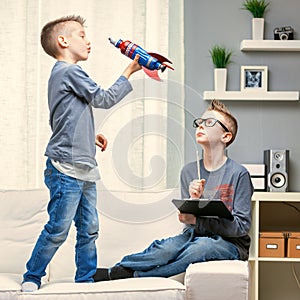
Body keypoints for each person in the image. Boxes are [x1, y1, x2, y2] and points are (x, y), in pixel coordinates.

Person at [21, 15, 141, 292]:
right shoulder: (69, 71)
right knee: (59, 228)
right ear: (63, 41)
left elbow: (63, 117)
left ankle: (85, 282)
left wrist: (89, 135)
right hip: (66, 168)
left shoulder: (60, 75)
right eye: (82, 35)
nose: (88, 41)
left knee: (89, 229)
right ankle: (32, 276)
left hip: (83, 166)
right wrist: (129, 71)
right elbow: (104, 99)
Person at [93, 99, 253, 281]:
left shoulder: (239, 174)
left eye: (209, 123)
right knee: (165, 249)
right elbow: (188, 220)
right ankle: (117, 269)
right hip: (195, 234)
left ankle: (127, 275)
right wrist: (193, 200)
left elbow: (241, 227)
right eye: (199, 122)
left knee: (201, 247)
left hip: (231, 243)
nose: (200, 126)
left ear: (226, 136)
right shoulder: (188, 171)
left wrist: (196, 221)